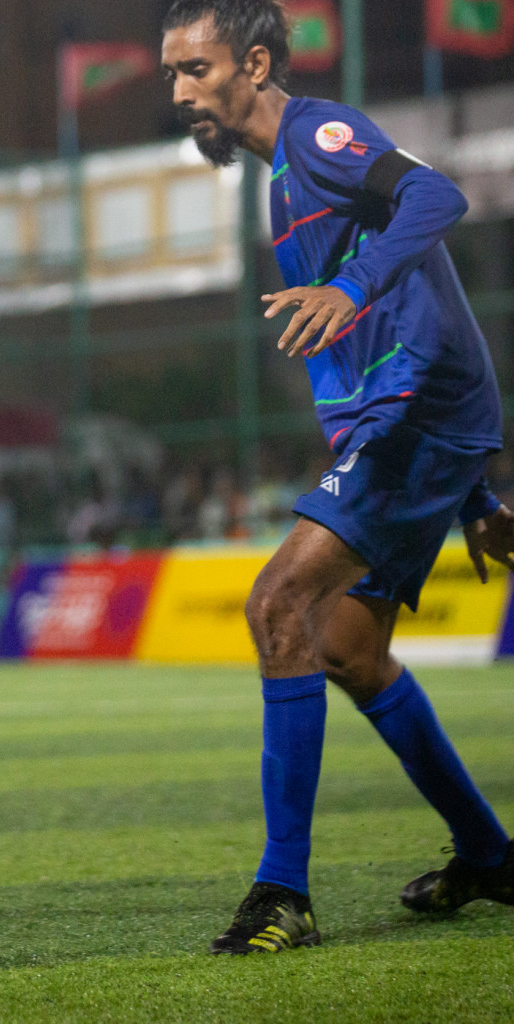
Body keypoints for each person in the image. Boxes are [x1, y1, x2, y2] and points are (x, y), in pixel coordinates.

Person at [162, 0, 514, 955]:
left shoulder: (321, 135)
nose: (181, 91)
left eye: (196, 69)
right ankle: (490, 855)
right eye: (172, 75)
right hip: (416, 426)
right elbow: (423, 309)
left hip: (414, 422)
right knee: (350, 652)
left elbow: (438, 199)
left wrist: (348, 287)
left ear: (258, 62)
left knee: (278, 606)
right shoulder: (286, 178)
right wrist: (476, 490)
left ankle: (283, 893)